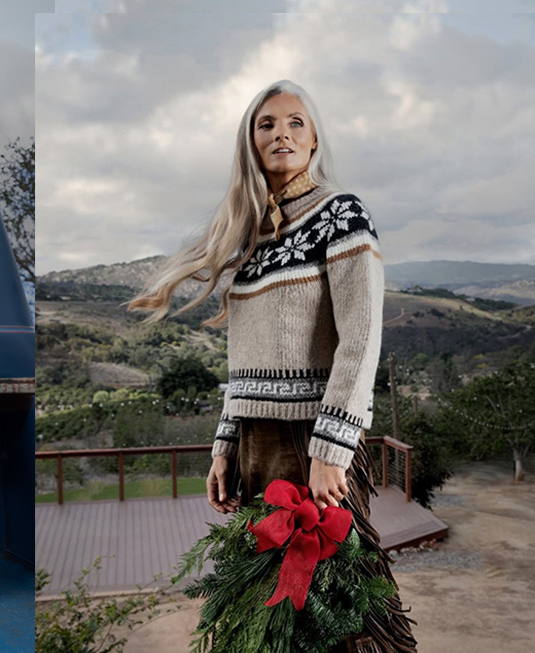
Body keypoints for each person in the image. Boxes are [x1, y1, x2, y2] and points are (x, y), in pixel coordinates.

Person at [130, 80, 417, 652]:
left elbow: (360, 339)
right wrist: (224, 443)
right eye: (266, 124)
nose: (281, 133)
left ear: (313, 141)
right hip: (257, 442)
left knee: (337, 605)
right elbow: (244, 361)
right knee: (271, 608)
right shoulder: (249, 236)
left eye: (295, 122)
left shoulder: (342, 215)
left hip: (314, 437)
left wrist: (331, 450)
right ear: (251, 142)